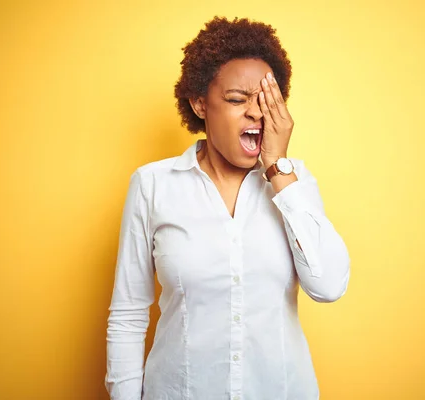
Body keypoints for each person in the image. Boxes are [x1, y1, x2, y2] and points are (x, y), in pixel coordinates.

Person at [105, 16, 350, 400]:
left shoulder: (294, 182)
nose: (256, 113)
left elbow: (329, 286)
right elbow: (128, 314)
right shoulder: (152, 185)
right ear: (200, 103)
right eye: (237, 99)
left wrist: (278, 169)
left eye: (267, 100)